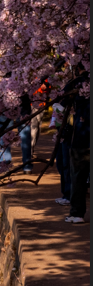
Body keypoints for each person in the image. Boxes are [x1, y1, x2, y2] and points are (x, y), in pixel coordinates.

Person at [66, 95, 90, 224]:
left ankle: (77, 213)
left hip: (81, 140)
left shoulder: (78, 85)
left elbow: (62, 101)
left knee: (78, 178)